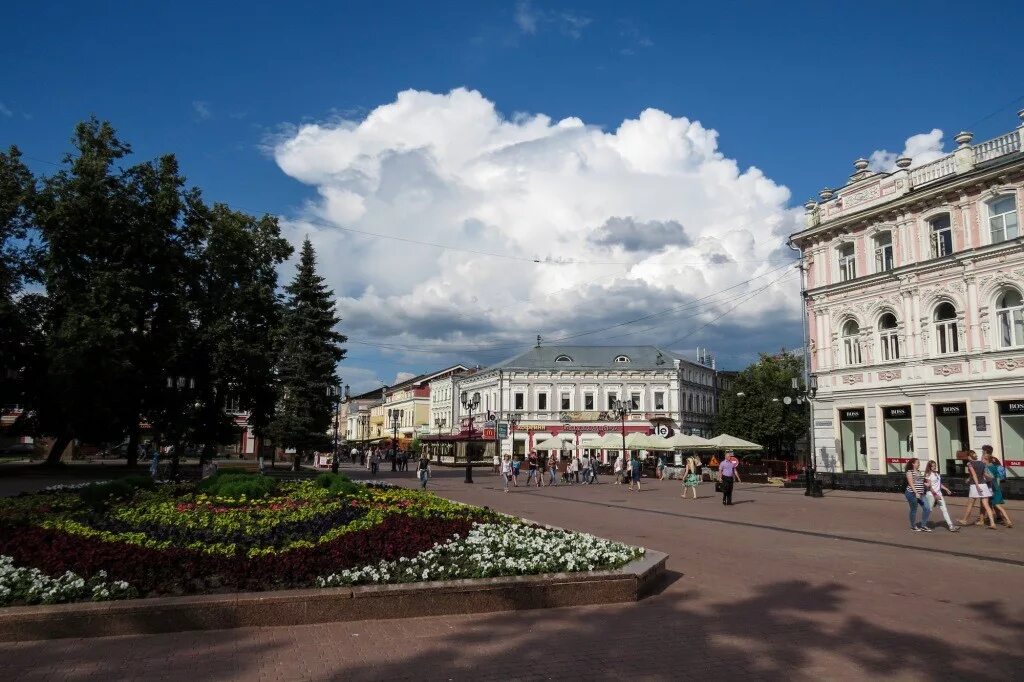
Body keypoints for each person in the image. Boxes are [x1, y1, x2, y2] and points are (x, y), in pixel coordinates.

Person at [957, 449, 996, 529]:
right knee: (987, 505)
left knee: (970, 504)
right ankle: (992, 523)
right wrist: (991, 478)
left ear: (968, 456)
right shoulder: (982, 463)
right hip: (984, 485)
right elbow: (984, 474)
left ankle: (965, 520)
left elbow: (974, 475)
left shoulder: (969, 463)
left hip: (975, 486)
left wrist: (977, 485)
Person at [923, 460, 959, 532]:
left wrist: (946, 489)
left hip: (939, 494)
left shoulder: (937, 474)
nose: (934, 467)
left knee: (944, 510)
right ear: (929, 467)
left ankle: (951, 526)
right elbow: (929, 487)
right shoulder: (928, 474)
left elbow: (939, 484)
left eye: (935, 465)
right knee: (929, 510)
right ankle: (923, 524)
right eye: (932, 466)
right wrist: (935, 495)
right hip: (931, 495)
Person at [903, 458, 931, 531]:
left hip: (921, 494)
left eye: (919, 463)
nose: (919, 464)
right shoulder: (909, 472)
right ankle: (913, 526)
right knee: (914, 509)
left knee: (927, 508)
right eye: (917, 463)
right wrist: (916, 492)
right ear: (913, 463)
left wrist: (926, 484)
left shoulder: (919, 472)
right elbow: (911, 483)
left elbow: (919, 482)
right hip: (912, 494)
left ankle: (923, 525)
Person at [987, 455, 1014, 528]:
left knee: (997, 506)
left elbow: (988, 478)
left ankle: (1008, 521)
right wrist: (997, 486)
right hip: (996, 487)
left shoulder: (987, 468)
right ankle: (1001, 519)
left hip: (992, 488)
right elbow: (998, 478)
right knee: (995, 505)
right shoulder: (996, 467)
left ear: (987, 460)